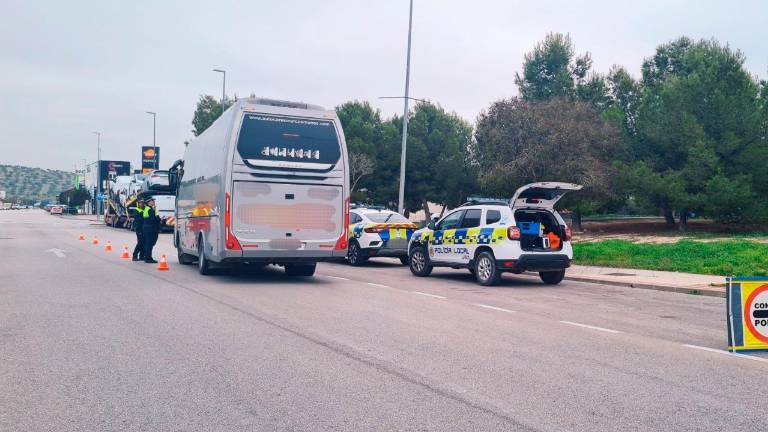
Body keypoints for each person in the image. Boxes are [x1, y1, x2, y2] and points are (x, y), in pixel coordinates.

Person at [142, 198, 161, 263]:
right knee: (149, 243)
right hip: (150, 229)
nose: (154, 202)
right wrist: (157, 218)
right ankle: (148, 258)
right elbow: (154, 219)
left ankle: (147, 257)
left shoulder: (148, 209)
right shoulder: (150, 210)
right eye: (152, 201)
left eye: (154, 201)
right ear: (149, 202)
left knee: (148, 243)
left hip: (148, 228)